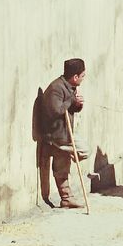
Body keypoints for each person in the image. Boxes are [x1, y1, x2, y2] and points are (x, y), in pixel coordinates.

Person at [38, 58, 87, 208]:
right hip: (57, 135)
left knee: (62, 168)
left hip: (65, 133)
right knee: (84, 150)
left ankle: (66, 198)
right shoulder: (56, 88)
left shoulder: (70, 86)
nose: (84, 78)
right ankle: (55, 147)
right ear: (75, 77)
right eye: (83, 76)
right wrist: (72, 100)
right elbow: (56, 111)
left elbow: (69, 108)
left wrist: (77, 105)